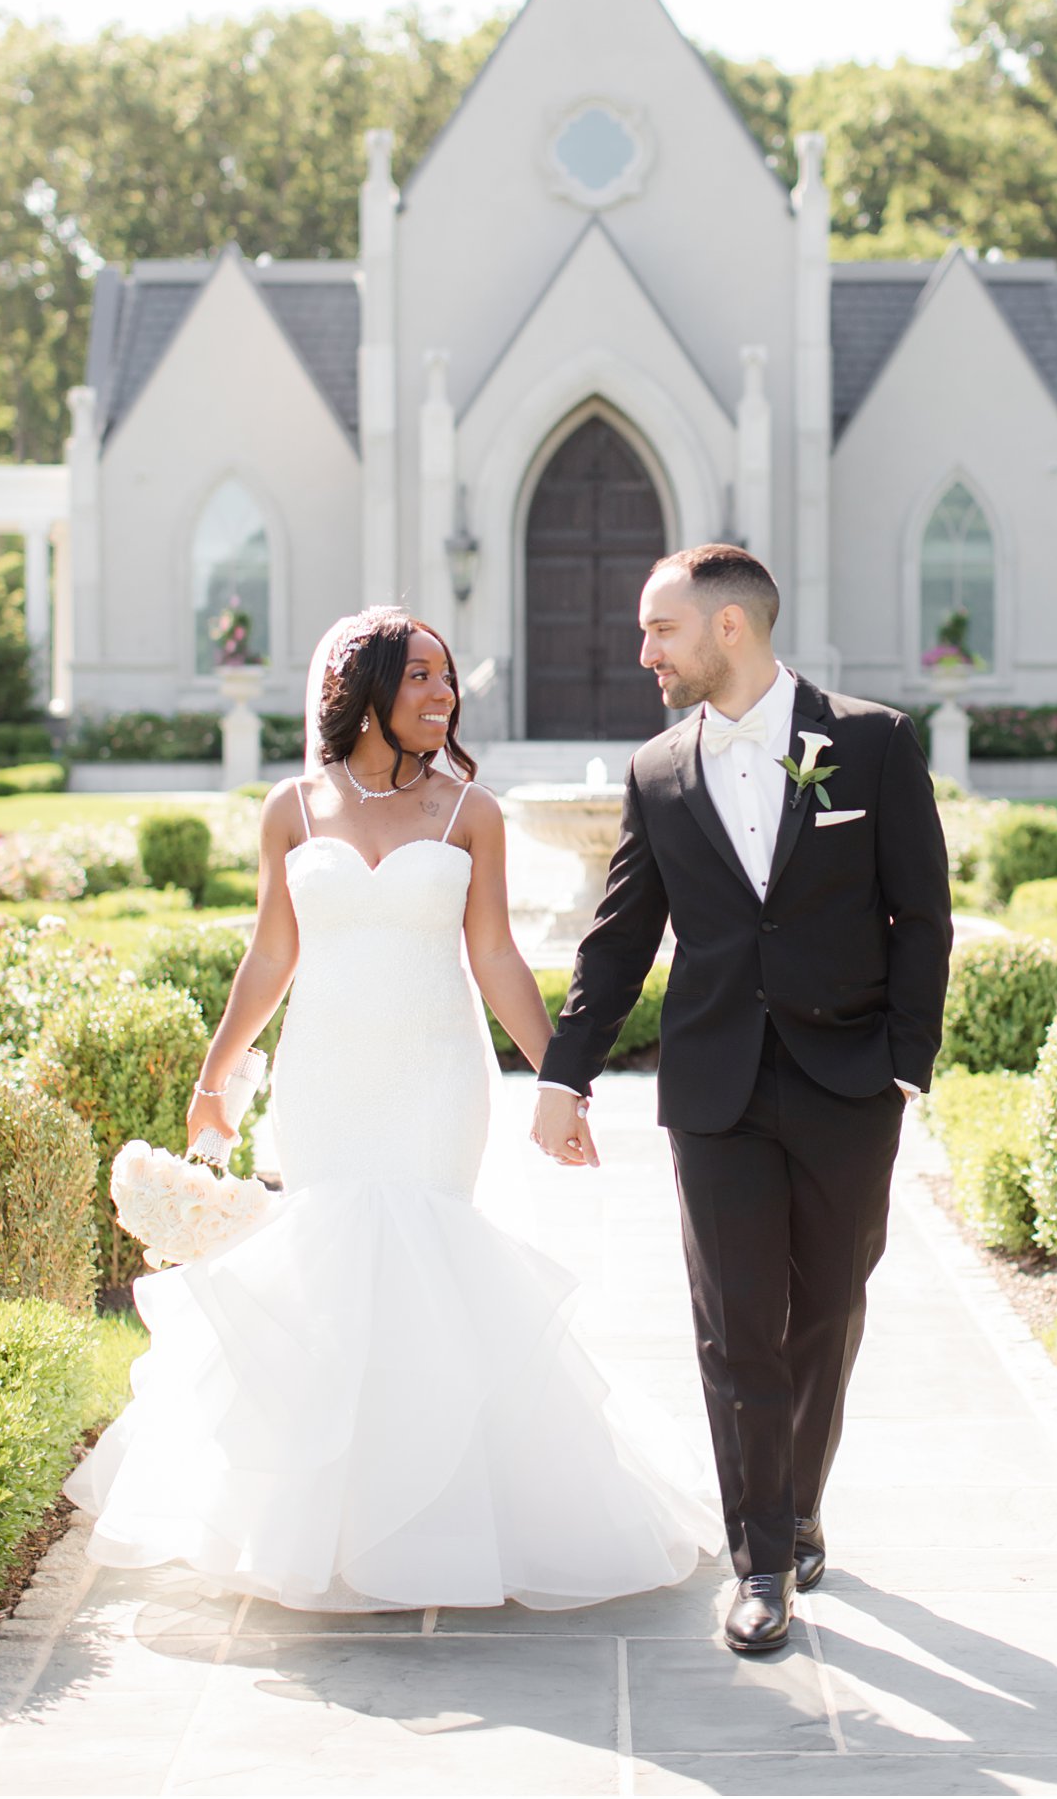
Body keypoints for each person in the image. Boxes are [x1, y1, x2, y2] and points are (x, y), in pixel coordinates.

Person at [64, 605, 717, 1614]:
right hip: (322, 1074)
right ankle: (325, 1530)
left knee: (422, 1256)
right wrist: (213, 1082)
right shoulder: (291, 807)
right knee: (326, 1273)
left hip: (431, 1077)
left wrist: (559, 1079)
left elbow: (494, 955)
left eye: (446, 678)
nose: (441, 694)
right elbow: (270, 954)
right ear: (361, 687)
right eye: (418, 675)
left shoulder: (470, 812)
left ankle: (438, 1520)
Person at [533, 545, 951, 1655]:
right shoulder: (658, 770)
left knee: (824, 1311)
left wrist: (907, 1060)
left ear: (728, 628)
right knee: (732, 1329)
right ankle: (757, 1559)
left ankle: (798, 1497)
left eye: (657, 630)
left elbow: (922, 915)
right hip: (713, 1088)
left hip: (848, 1082)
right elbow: (618, 940)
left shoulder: (867, 744)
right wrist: (564, 1073)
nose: (641, 654)